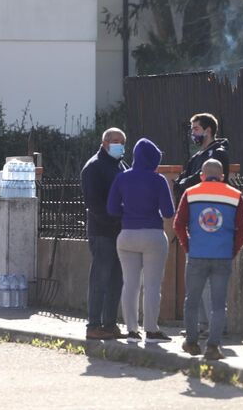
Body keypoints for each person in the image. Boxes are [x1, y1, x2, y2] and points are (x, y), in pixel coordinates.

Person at [174, 159, 243, 360]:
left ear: (202, 176)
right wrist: (232, 250)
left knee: (192, 300)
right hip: (222, 256)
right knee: (218, 304)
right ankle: (213, 347)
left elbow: (178, 224)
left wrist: (188, 245)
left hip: (197, 254)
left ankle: (191, 342)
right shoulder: (235, 195)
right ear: (223, 176)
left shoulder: (190, 194)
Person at [107, 138, 175, 343]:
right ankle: (152, 330)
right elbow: (168, 212)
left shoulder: (122, 178)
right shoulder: (159, 180)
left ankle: (131, 330)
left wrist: (128, 212)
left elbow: (111, 209)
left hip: (127, 235)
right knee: (152, 285)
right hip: (153, 235)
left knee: (130, 284)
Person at [80, 127, 128, 340]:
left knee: (116, 279)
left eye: (122, 142)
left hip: (120, 232)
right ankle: (94, 325)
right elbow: (93, 203)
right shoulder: (94, 167)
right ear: (105, 142)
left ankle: (110, 324)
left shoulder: (121, 165)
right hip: (102, 232)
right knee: (100, 278)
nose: (119, 145)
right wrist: (114, 219)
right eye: (115, 141)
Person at [174, 113, 231, 201]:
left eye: (196, 129)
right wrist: (178, 183)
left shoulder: (218, 153)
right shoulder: (196, 156)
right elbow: (185, 175)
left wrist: (184, 184)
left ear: (208, 130)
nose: (193, 133)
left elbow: (199, 177)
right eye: (192, 130)